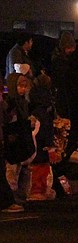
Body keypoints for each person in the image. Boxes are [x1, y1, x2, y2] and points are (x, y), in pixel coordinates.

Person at [4, 73, 36, 210]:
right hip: (13, 141)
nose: (23, 89)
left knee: (23, 171)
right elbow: (8, 121)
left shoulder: (24, 102)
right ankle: (12, 197)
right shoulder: (10, 102)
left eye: (25, 86)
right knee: (12, 171)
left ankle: (21, 196)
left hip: (22, 141)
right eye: (20, 86)